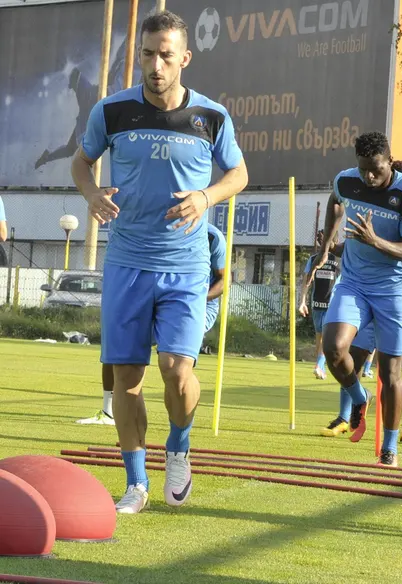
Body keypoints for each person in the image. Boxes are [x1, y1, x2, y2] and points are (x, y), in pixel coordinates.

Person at [71, 11, 247, 514]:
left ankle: (179, 446)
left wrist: (206, 197)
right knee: (126, 379)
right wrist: (90, 193)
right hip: (126, 262)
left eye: (166, 55)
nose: (155, 65)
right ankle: (135, 484)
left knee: (175, 369)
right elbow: (82, 162)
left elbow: (238, 174)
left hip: (186, 265)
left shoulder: (211, 116)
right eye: (148, 54)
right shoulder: (111, 111)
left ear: (184, 58)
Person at [314, 134, 402, 467]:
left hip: (394, 290)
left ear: (389, 161)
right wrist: (327, 245)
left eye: (375, 169)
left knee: (391, 372)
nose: (368, 177)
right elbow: (335, 201)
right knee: (333, 348)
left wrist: (375, 240)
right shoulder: (347, 181)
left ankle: (389, 448)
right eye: (363, 169)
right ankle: (359, 397)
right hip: (355, 282)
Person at [77, 223, 227, 426]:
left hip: (195, 302)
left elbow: (224, 279)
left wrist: (196, 298)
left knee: (175, 367)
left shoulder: (211, 236)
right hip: (145, 294)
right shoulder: (137, 227)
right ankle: (109, 411)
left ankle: (179, 431)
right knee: (121, 356)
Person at [299, 231, 341, 380]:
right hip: (320, 303)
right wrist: (302, 301)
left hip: (329, 304)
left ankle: (319, 366)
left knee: (324, 337)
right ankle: (320, 366)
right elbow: (307, 281)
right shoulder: (314, 259)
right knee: (321, 338)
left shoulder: (339, 259)